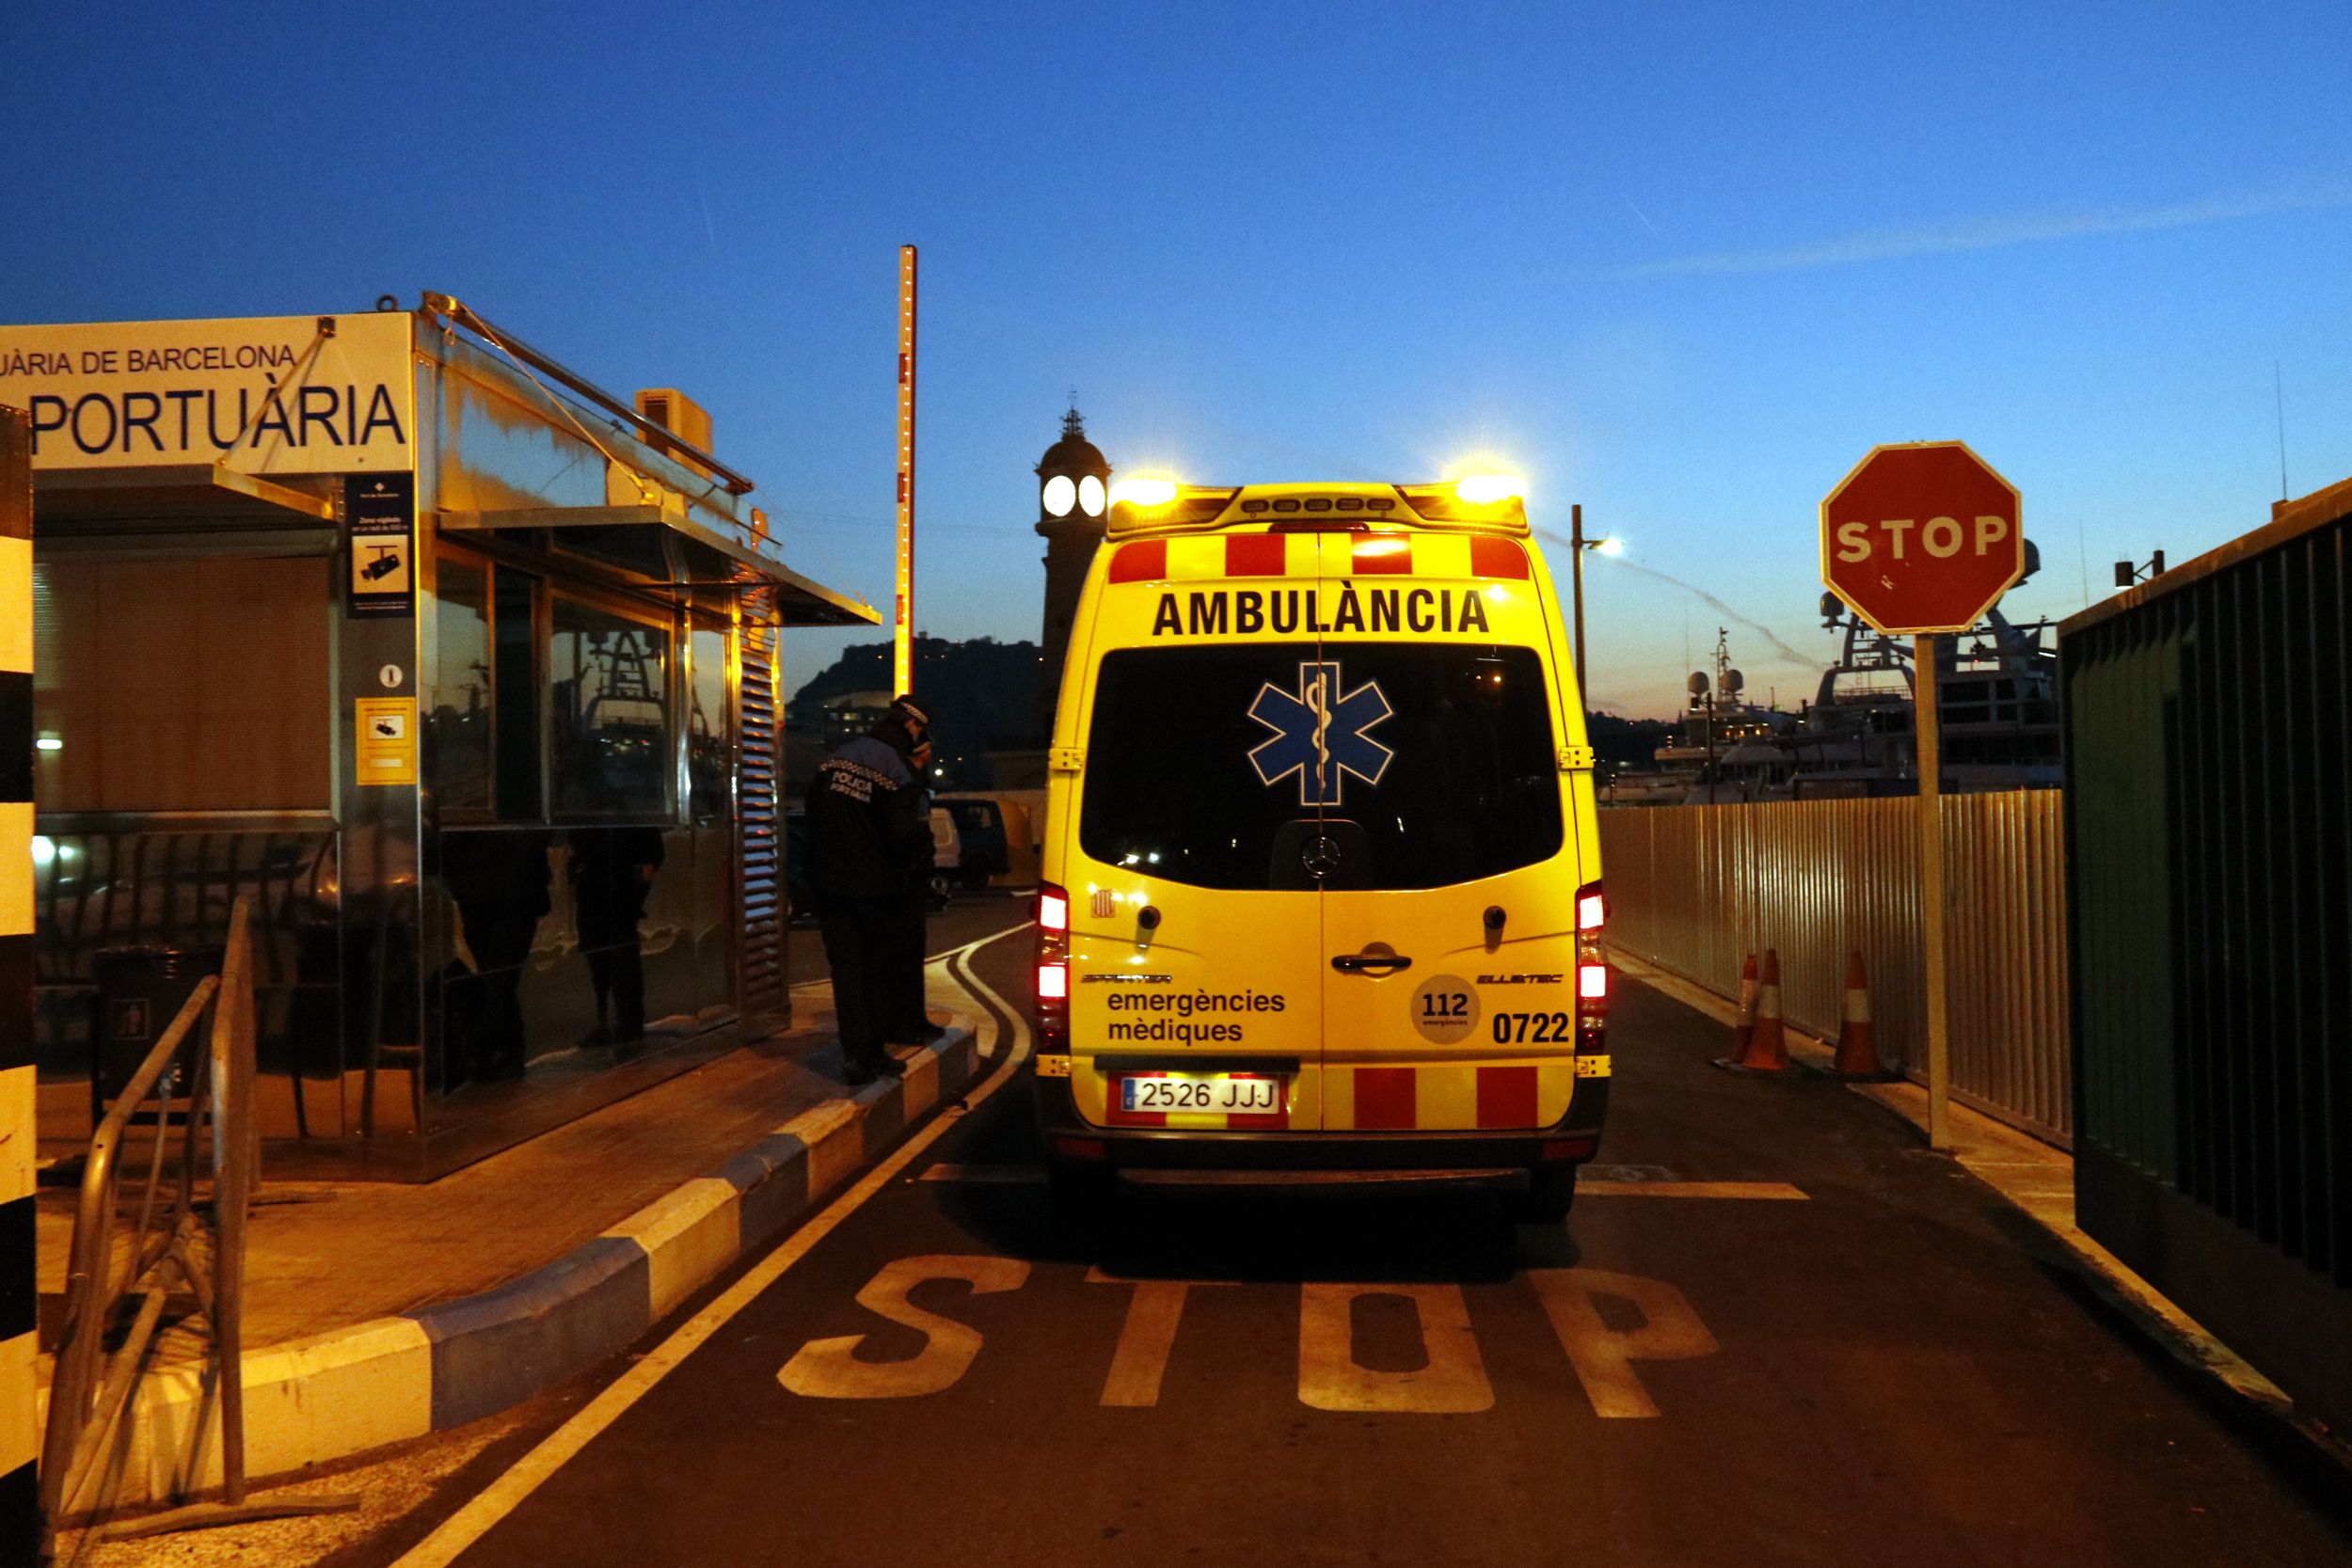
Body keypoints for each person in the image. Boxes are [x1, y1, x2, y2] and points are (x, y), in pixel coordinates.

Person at [806, 694, 936, 1085]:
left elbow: (813, 819)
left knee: (846, 971)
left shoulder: (833, 761)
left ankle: (854, 1056)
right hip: (876, 889)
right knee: (875, 970)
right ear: (911, 727)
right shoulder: (895, 769)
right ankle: (873, 1054)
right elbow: (904, 835)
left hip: (830, 886)